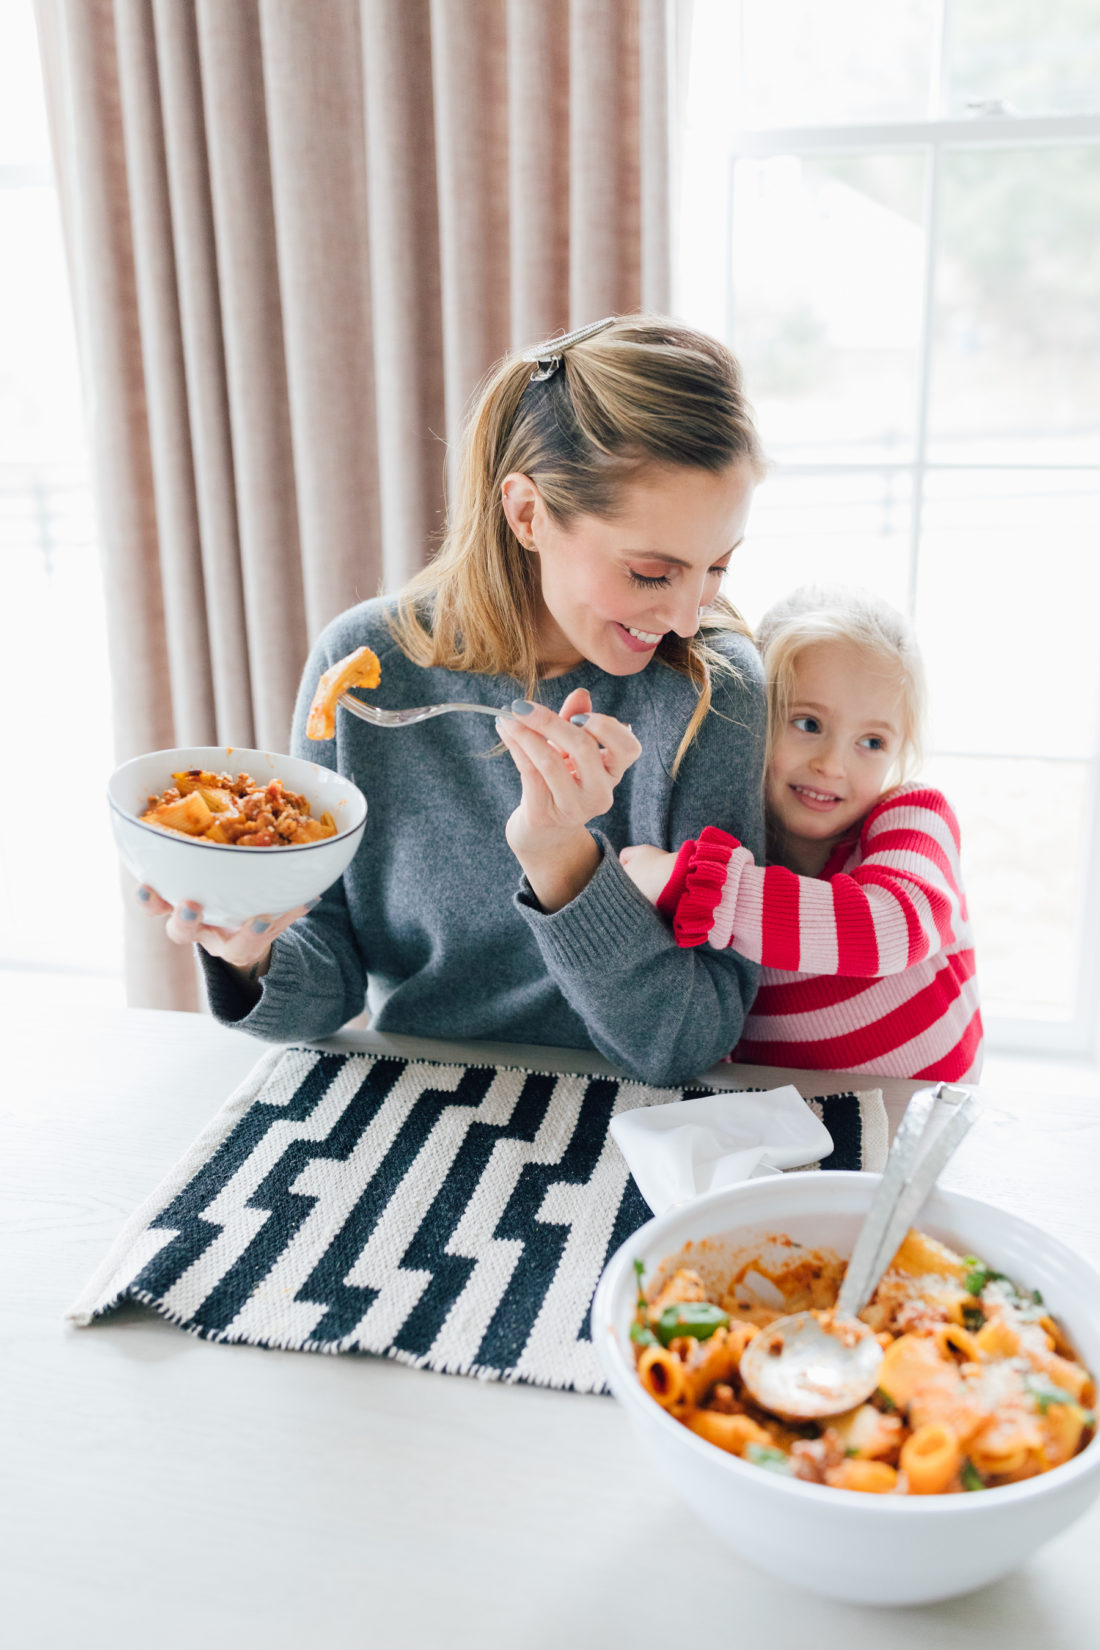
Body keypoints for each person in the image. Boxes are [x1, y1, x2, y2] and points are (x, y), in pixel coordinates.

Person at [138, 315, 768, 1087]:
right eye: (650, 573)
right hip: (413, 1102)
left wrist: (563, 860)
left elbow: (688, 1043)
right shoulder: (367, 672)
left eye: (717, 569)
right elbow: (328, 978)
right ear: (527, 513)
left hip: (638, 1130)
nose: (684, 616)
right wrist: (251, 950)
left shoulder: (715, 694)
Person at [621, 585, 983, 1081]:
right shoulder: (734, 848)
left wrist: (692, 883)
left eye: (872, 742)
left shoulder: (914, 816)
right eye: (808, 723)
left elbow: (890, 930)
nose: (832, 765)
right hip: (802, 1126)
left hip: (928, 1120)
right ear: (755, 721)